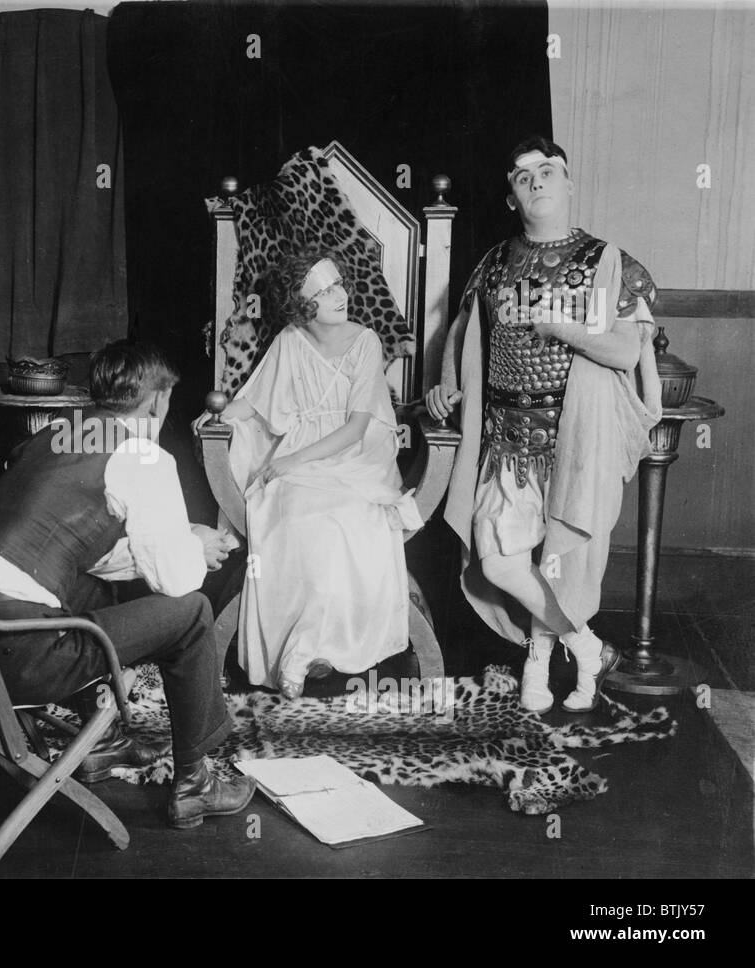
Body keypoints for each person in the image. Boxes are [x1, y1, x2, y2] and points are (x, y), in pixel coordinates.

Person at [0, 342, 255, 829]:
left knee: (95, 587)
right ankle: (196, 784)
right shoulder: (144, 456)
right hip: (20, 654)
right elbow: (176, 582)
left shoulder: (57, 431)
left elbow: (78, 548)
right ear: (158, 400)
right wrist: (193, 546)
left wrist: (179, 540)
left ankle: (104, 743)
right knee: (193, 612)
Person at [426, 136, 661, 714]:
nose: (535, 181)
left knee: (561, 561)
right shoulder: (493, 262)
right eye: (522, 175)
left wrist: (562, 328)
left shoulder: (607, 262)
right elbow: (462, 334)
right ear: (511, 196)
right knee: (500, 557)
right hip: (504, 437)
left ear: (569, 183)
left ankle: (539, 659)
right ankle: (586, 646)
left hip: (573, 435)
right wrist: (445, 382)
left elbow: (626, 353)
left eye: (547, 170)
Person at [197, 250, 423, 699]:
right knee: (294, 514)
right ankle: (306, 649)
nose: (338, 296)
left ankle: (305, 651)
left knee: (340, 519)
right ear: (303, 306)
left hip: (357, 458)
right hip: (302, 453)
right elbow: (257, 401)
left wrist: (291, 463)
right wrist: (213, 417)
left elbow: (356, 428)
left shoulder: (365, 341)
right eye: (322, 292)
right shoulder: (289, 339)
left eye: (337, 284)